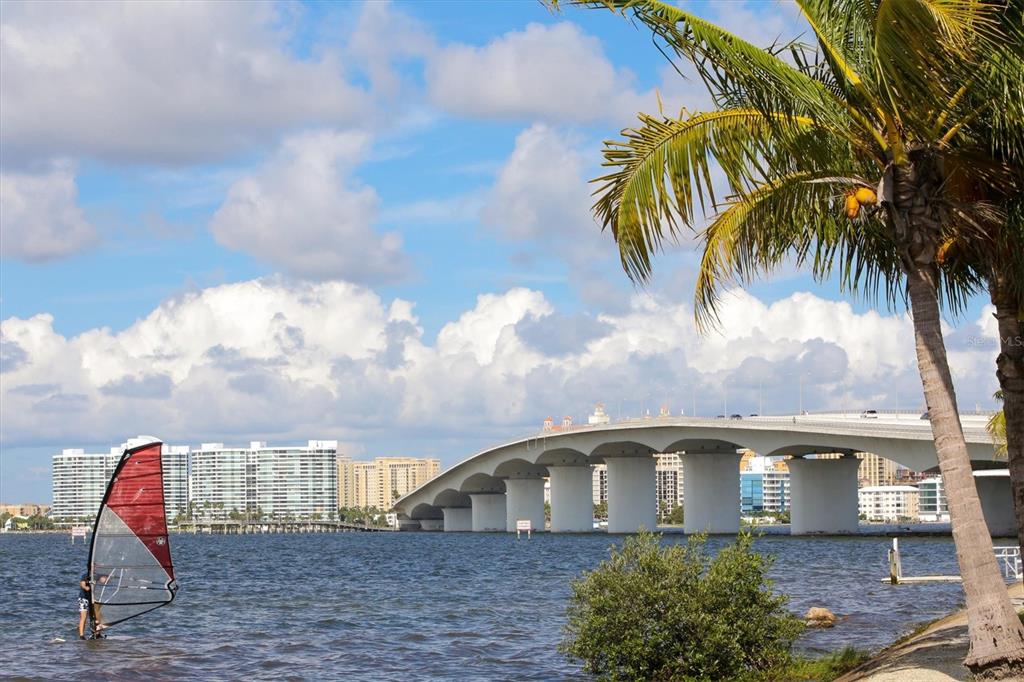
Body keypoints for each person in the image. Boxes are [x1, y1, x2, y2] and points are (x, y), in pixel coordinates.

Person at [77, 571, 109, 639]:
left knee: (99, 615)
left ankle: (98, 633)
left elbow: (103, 580)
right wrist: (86, 587)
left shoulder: (97, 575)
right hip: (83, 598)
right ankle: (81, 636)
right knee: (83, 617)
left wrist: (107, 578)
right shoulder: (85, 575)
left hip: (92, 599)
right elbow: (82, 584)